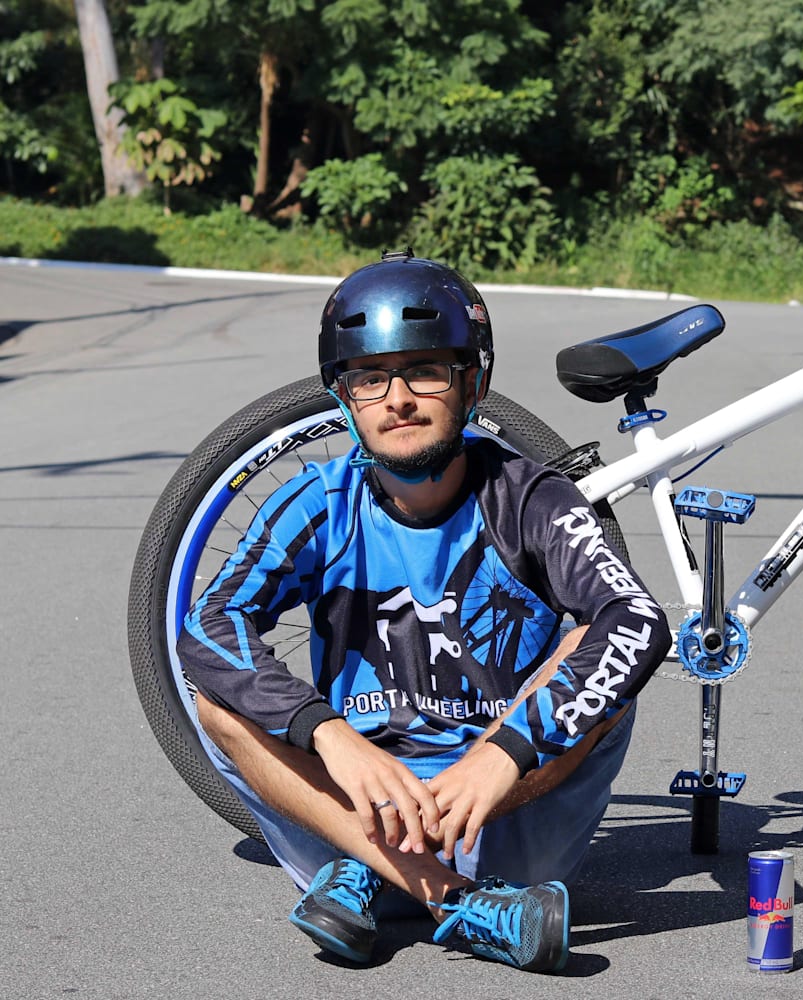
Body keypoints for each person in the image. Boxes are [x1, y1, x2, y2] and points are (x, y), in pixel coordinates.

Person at [177, 251, 670, 972]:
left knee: (598, 662)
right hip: (349, 813)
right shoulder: (319, 501)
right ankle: (453, 898)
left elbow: (637, 619)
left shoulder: (531, 498)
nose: (396, 397)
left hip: (496, 810)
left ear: (473, 383)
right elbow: (205, 624)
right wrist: (330, 736)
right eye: (369, 377)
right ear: (343, 397)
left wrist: (502, 755)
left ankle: (381, 876)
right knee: (216, 699)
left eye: (425, 371)